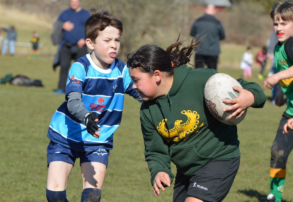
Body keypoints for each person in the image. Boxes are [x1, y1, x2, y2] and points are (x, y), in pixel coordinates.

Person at [127, 38, 266, 202]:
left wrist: (250, 97)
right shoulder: (147, 111)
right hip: (186, 170)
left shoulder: (201, 80)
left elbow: (249, 88)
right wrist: (159, 170)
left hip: (219, 158)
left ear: (157, 75)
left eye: (136, 80)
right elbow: (155, 150)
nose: (133, 86)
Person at [46, 9, 141, 202]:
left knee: (92, 197)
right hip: (66, 135)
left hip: (98, 139)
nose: (114, 45)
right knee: (55, 196)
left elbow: (142, 94)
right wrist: (86, 116)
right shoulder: (81, 67)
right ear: (90, 43)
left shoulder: (122, 71)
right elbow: (73, 101)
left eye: (117, 39)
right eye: (107, 41)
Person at [263, 1, 293, 202]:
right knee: (278, 152)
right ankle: (274, 197)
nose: (278, 28)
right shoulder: (279, 46)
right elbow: (288, 72)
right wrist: (280, 91)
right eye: (276, 24)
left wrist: (276, 78)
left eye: (284, 23)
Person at [52, 0, 90, 94]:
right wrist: (62, 25)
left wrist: (85, 39)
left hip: (80, 46)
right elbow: (56, 25)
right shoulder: (65, 13)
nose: (74, 3)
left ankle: (81, 89)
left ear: (79, 2)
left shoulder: (86, 14)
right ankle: (61, 88)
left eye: (75, 1)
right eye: (72, 1)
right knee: (64, 66)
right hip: (66, 45)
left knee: (81, 69)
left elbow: (92, 29)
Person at [190, 4, 225, 70]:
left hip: (199, 51)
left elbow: (192, 33)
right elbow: (222, 37)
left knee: (197, 73)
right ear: (214, 11)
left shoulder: (197, 21)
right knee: (212, 75)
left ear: (205, 10)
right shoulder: (218, 23)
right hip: (213, 52)